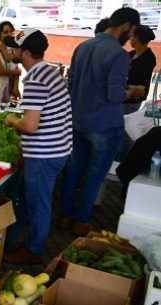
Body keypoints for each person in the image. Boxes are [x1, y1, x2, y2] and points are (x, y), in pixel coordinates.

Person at [62, 8, 141, 237]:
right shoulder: (118, 54)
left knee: (74, 171)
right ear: (126, 26)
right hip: (104, 125)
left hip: (78, 120)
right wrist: (133, 91)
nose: (132, 37)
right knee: (95, 175)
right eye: (133, 31)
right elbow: (115, 95)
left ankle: (66, 215)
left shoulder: (83, 47)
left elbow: (71, 84)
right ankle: (81, 220)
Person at [0, 29, 72, 265]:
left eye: (15, 47)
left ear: (26, 53)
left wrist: (11, 120)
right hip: (56, 149)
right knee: (34, 198)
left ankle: (34, 250)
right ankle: (27, 239)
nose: (12, 50)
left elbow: (30, 126)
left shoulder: (35, 79)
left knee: (39, 202)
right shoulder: (51, 72)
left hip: (44, 154)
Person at [125, 25, 156, 114]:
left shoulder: (148, 58)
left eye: (132, 36)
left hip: (132, 100)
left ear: (137, 38)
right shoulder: (131, 54)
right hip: (123, 95)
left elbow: (140, 84)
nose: (130, 38)